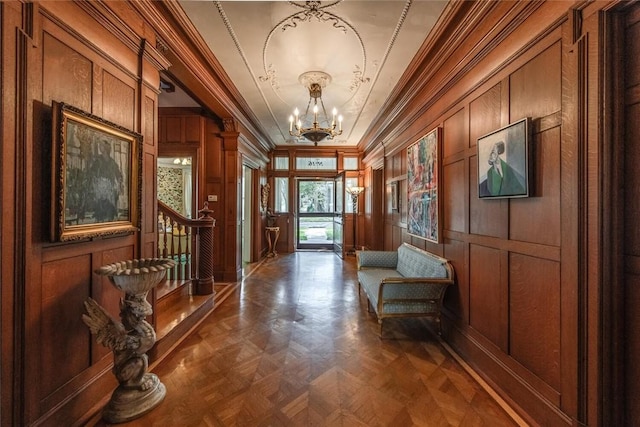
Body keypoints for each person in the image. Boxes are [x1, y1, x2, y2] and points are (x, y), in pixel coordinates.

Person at [89, 139, 123, 222]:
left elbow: (118, 173)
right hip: (100, 185)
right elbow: (92, 172)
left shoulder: (112, 162)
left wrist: (119, 183)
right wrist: (94, 182)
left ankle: (109, 218)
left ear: (106, 148)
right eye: (100, 146)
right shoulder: (98, 160)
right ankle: (100, 218)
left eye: (102, 146)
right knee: (100, 203)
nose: (100, 148)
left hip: (109, 185)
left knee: (109, 204)